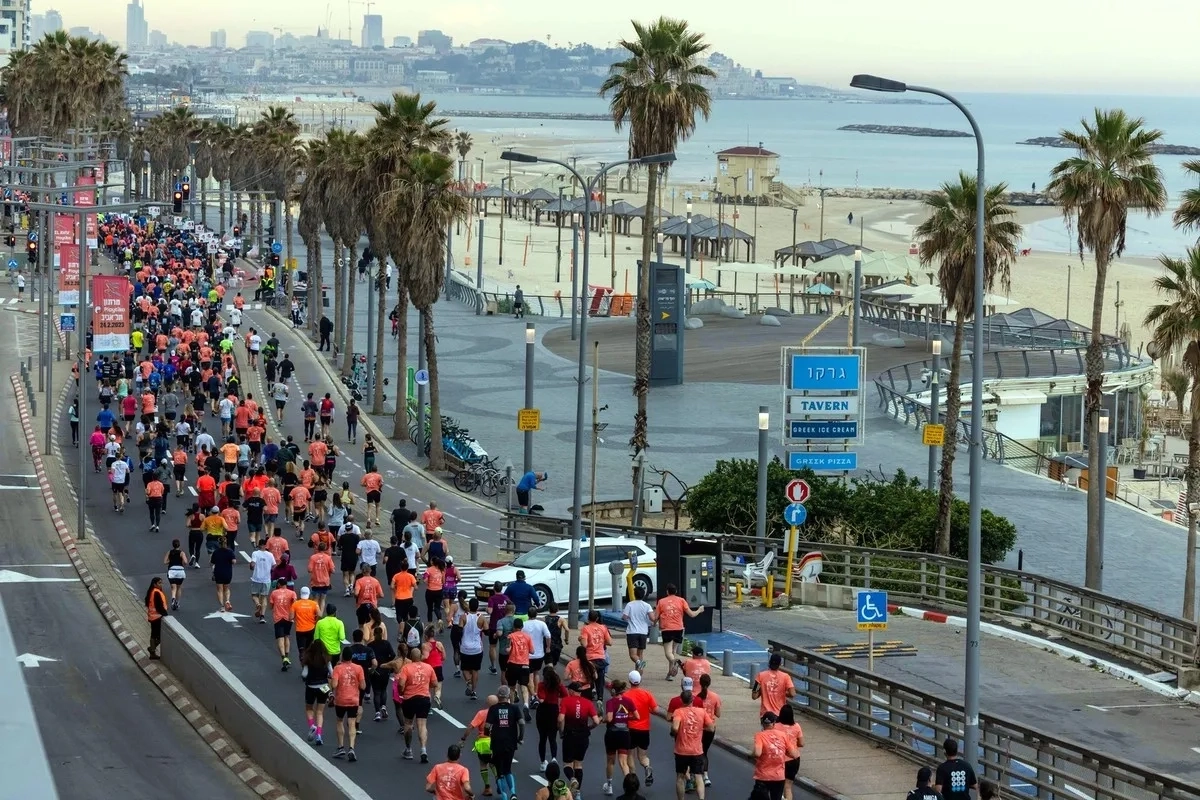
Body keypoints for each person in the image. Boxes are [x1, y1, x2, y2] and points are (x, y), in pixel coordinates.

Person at [670, 688, 715, 800]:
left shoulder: (678, 712)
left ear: (682, 700)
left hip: (681, 750)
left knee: (680, 777)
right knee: (698, 776)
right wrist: (700, 728)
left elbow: (675, 728)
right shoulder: (701, 712)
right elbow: (711, 727)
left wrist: (673, 732)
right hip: (696, 750)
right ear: (692, 700)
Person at [558, 680, 600, 797]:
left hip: (570, 736)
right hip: (583, 736)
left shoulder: (566, 701)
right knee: (579, 764)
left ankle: (571, 779)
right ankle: (578, 793)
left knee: (567, 764)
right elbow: (596, 721)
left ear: (571, 691)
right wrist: (589, 728)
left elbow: (561, 719)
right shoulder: (588, 703)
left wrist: (561, 731)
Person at [653, 584, 704, 679]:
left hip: (667, 628)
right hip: (678, 629)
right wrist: (699, 610)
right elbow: (692, 614)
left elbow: (655, 617)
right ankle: (670, 674)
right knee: (673, 651)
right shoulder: (681, 601)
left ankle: (674, 662)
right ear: (675, 592)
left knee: (668, 653)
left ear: (667, 592)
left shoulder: (661, 602)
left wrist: (654, 623)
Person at [400, 644, 440, 763]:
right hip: (424, 698)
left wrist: (402, 691)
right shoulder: (428, 667)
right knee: (422, 725)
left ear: (411, 657)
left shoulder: (406, 668)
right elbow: (435, 683)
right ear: (421, 656)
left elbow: (401, 684)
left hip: (409, 698)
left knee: (408, 723)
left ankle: (408, 749)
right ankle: (423, 749)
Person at [485, 685, 526, 800]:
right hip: (510, 741)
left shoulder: (493, 709)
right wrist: (520, 737)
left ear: (498, 696)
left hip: (497, 741)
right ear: (508, 695)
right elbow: (521, 723)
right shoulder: (514, 708)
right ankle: (513, 792)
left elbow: (487, 725)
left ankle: (504, 795)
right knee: (508, 768)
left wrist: (487, 735)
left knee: (499, 771)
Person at [602, 679, 638, 797]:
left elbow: (610, 718)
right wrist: (625, 718)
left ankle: (609, 786)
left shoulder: (610, 702)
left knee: (611, 761)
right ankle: (630, 787)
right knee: (623, 762)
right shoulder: (629, 701)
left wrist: (603, 719)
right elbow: (637, 716)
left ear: (613, 690)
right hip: (625, 733)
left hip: (612, 733)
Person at [751, 712, 799, 800]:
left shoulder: (759, 735)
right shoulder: (783, 735)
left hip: (763, 776)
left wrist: (750, 755)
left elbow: (757, 753)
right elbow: (794, 754)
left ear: (762, 723)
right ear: (774, 723)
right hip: (778, 776)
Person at [330, 646, 366, 761]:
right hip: (354, 700)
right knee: (351, 723)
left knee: (340, 721)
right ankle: (351, 747)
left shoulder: (337, 668)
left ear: (342, 656)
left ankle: (341, 747)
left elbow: (334, 685)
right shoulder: (359, 668)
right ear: (351, 657)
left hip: (341, 699)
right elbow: (363, 686)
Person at [623, 671, 657, 788]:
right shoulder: (647, 694)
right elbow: (655, 709)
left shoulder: (625, 696)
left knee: (630, 755)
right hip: (644, 729)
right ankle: (647, 767)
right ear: (640, 681)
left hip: (631, 729)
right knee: (642, 756)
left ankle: (633, 779)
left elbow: (622, 713)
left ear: (629, 681)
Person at [461, 695, 498, 798]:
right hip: (497, 742)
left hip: (483, 742)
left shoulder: (482, 713)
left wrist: (463, 739)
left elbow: (470, 727)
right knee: (494, 764)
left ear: (487, 702)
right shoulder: (500, 714)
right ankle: (498, 781)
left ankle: (487, 787)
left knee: (483, 764)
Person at [535, 665, 568, 770]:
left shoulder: (541, 685)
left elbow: (542, 700)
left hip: (542, 711)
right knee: (553, 737)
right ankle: (554, 758)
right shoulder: (558, 685)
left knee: (542, 738)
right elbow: (565, 695)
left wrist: (536, 696)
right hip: (553, 710)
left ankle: (542, 762)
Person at [302, 640, 332, 746]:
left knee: (309, 708)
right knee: (320, 712)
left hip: (311, 686)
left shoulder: (308, 659)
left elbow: (304, 674)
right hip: (323, 687)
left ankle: (312, 726)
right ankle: (319, 735)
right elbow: (331, 673)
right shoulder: (326, 658)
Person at [579, 610, 612, 703]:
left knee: (589, 679)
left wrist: (581, 639)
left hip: (589, 658)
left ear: (588, 618)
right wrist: (601, 641)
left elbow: (584, 645)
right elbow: (610, 642)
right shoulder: (603, 627)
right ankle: (600, 698)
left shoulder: (585, 628)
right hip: (601, 657)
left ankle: (589, 699)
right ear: (597, 618)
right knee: (600, 680)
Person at [459, 597, 488, 699]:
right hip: (477, 648)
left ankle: (468, 681)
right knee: (475, 670)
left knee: (464, 668)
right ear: (478, 607)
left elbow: (459, 631)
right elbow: (487, 631)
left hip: (465, 648)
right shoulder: (482, 618)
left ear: (469, 606)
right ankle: (473, 691)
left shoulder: (463, 617)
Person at [697, 674, 722, 788]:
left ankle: (696, 774)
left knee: (697, 752)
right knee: (705, 752)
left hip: (699, 728)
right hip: (710, 728)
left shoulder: (696, 697)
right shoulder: (715, 697)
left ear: (700, 683)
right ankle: (705, 775)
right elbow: (718, 714)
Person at [270, 577, 298, 671]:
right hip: (288, 618)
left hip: (278, 618)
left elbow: (271, 606)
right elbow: (295, 604)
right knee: (287, 636)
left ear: (279, 584)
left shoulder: (274, 593)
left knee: (280, 638)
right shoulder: (292, 593)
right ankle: (287, 655)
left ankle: (283, 657)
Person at [622, 587, 653, 670]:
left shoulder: (630, 604)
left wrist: (627, 617)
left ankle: (641, 664)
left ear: (634, 594)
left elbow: (624, 617)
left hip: (632, 632)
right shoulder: (647, 606)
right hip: (643, 632)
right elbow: (652, 618)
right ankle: (639, 675)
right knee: (640, 654)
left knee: (633, 655)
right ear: (643, 595)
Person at [249, 538, 277, 623]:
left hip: (256, 578)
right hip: (266, 579)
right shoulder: (270, 555)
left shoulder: (255, 553)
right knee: (264, 597)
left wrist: (251, 567)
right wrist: (269, 570)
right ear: (265, 545)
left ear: (259, 545)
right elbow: (274, 565)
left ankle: (257, 604)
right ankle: (262, 616)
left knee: (254, 595)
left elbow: (253, 564)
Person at [145, 577, 169, 660]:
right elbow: (159, 606)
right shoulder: (156, 592)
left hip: (152, 617)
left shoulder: (151, 591)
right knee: (159, 636)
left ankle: (152, 653)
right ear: (154, 584)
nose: (161, 584)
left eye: (161, 583)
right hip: (157, 617)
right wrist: (165, 614)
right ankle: (152, 649)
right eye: (159, 583)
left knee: (153, 634)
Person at [210, 536, 236, 611]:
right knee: (227, 588)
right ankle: (227, 601)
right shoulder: (230, 551)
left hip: (218, 572)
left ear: (219, 543)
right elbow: (234, 561)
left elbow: (212, 563)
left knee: (219, 590)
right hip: (227, 572)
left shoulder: (216, 552)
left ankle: (222, 606)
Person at [293, 586, 320, 655]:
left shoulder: (295, 604)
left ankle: (303, 661)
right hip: (311, 628)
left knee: (301, 649)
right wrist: (315, 621)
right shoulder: (314, 604)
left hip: (300, 630)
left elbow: (291, 617)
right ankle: (308, 661)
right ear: (309, 593)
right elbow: (319, 614)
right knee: (309, 648)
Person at [163, 539, 187, 610]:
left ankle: (173, 598)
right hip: (180, 571)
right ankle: (177, 602)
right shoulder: (182, 553)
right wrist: (181, 561)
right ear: (179, 545)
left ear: (172, 545)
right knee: (179, 587)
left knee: (173, 587)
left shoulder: (169, 552)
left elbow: (165, 562)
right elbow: (185, 562)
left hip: (171, 571)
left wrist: (170, 560)